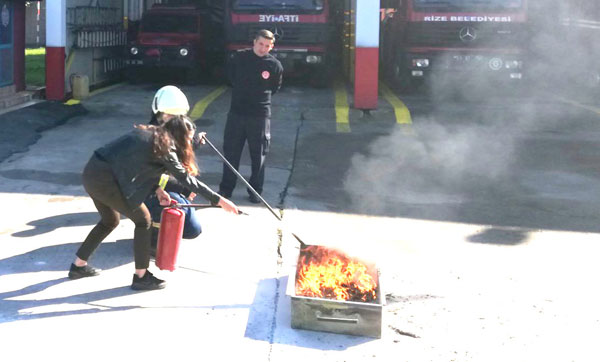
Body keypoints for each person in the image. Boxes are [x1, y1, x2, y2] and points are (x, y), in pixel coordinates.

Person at [68, 115, 239, 290]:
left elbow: (139, 165)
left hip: (92, 172)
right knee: (144, 220)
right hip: (106, 180)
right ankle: (141, 276)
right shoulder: (166, 147)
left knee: (110, 221)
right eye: (188, 138)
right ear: (179, 135)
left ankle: (78, 266)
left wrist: (158, 190)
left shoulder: (151, 134)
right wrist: (219, 200)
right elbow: (186, 179)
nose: (189, 142)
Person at [218, 29, 283, 203]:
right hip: (237, 114)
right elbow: (229, 78)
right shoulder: (238, 58)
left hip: (260, 116)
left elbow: (275, 87)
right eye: (261, 44)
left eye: (267, 46)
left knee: (258, 155)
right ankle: (225, 190)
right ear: (254, 42)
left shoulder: (274, 65)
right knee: (231, 153)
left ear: (272, 46)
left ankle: (255, 191)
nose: (263, 48)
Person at [145, 86, 204, 244]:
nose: (174, 120)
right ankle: (150, 236)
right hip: (152, 192)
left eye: (178, 116)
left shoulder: (177, 130)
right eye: (169, 115)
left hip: (173, 190)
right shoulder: (151, 137)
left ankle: (161, 227)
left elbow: (180, 155)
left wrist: (195, 142)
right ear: (158, 113)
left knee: (193, 230)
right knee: (166, 205)